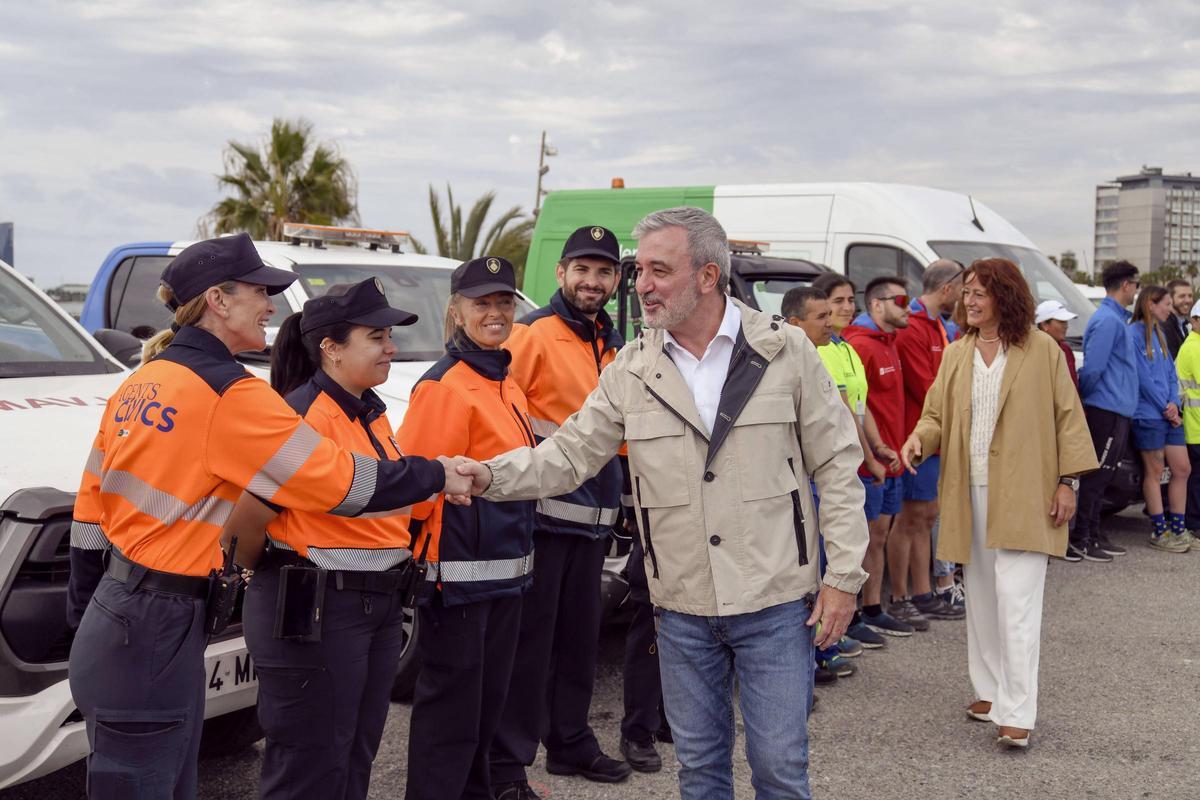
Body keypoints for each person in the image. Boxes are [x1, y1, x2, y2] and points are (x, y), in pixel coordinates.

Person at [459, 207, 869, 798]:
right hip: (681, 608)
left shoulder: (786, 352)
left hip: (776, 603)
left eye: (659, 269)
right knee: (700, 775)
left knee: (780, 771)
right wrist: (484, 476)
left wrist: (845, 577)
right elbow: (570, 455)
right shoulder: (633, 366)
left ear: (707, 276)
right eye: (639, 270)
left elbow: (836, 465)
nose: (641, 284)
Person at [66, 235, 469, 799]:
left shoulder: (142, 381)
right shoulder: (227, 393)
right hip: (155, 622)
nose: (272, 306)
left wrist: (88, 616)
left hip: (124, 615)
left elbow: (89, 514)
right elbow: (339, 480)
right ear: (218, 300)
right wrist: (437, 474)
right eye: (261, 292)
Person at [218, 279, 426, 799]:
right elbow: (243, 526)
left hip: (373, 606)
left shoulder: (367, 410)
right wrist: (278, 570)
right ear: (331, 348)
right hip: (316, 609)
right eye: (376, 337)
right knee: (310, 765)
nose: (391, 348)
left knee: (354, 752)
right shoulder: (303, 416)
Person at [900, 257, 1097, 750]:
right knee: (982, 597)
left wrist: (1068, 482)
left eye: (979, 292)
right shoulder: (956, 352)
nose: (968, 300)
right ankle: (988, 690)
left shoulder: (1042, 349)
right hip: (969, 492)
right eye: (966, 292)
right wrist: (920, 439)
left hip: (1028, 492)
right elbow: (936, 415)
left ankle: (1017, 711)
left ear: (1005, 296)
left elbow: (1069, 419)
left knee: (1018, 603)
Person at [490, 226, 632, 797]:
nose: (592, 282)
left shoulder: (611, 341)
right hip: (543, 518)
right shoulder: (533, 335)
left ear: (616, 280)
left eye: (603, 272)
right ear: (561, 274)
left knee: (579, 640)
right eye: (582, 270)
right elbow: (507, 418)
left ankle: (570, 744)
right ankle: (508, 766)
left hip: (593, 521)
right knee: (530, 649)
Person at [396, 256, 538, 800]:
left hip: (506, 576)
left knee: (485, 710)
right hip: (455, 578)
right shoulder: (445, 387)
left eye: (504, 302)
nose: (496, 313)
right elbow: (415, 480)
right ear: (456, 311)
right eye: (483, 304)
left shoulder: (506, 382)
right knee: (451, 716)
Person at [810, 272, 895, 650]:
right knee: (833, 551)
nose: (846, 308)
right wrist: (869, 460)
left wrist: (878, 447)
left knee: (860, 545)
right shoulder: (820, 349)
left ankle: (853, 616)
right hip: (842, 463)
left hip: (861, 460)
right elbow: (843, 412)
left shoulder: (844, 346)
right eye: (838, 301)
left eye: (849, 300)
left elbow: (863, 407)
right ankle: (828, 633)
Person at [781, 286, 861, 682]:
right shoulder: (784, 363)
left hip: (824, 479)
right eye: (822, 317)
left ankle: (822, 649)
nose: (831, 322)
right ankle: (812, 657)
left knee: (829, 569)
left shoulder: (830, 353)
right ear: (795, 324)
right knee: (809, 574)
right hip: (800, 487)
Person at [890, 261, 965, 625]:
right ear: (948, 288)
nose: (966, 296)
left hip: (935, 439)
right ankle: (902, 595)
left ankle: (923, 591)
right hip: (918, 438)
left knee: (926, 515)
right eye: (964, 288)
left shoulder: (937, 326)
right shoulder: (914, 328)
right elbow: (929, 387)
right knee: (909, 518)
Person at [844, 277, 916, 636]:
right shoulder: (861, 346)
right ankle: (852, 613)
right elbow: (856, 409)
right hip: (867, 462)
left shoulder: (889, 343)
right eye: (901, 300)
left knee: (880, 535)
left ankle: (873, 607)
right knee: (863, 536)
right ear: (876, 305)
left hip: (890, 458)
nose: (908, 307)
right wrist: (871, 453)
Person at [1073, 260, 1140, 562]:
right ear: (1126, 285)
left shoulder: (1116, 320)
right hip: (1105, 409)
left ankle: (1094, 532)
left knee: (1105, 476)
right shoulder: (1107, 321)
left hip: (1117, 409)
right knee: (1097, 476)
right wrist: (1088, 400)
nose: (1135, 290)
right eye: (1135, 285)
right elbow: (1094, 368)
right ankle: (1081, 538)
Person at [1129, 285, 1194, 552]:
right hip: (1147, 414)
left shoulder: (1160, 334)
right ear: (1150, 304)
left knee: (1182, 469)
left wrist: (1173, 405)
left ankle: (1178, 528)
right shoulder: (1132, 334)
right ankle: (1160, 530)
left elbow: (1170, 372)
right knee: (1154, 472)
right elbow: (1141, 377)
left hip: (1167, 414)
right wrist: (1163, 406)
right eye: (1166, 304)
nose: (1170, 309)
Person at [1175, 300, 1200, 544]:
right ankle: (1194, 524)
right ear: (1194, 320)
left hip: (1196, 424)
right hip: (1195, 426)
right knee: (1196, 479)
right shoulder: (1193, 347)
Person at [1035, 300, 1079, 390]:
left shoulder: (1066, 350)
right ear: (1044, 325)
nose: (1066, 326)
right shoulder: (1034, 351)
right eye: (1061, 321)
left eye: (1066, 322)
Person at [1163, 279, 1193, 358]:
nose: (1188, 300)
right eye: (1182, 296)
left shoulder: (1186, 324)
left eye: (1190, 296)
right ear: (1170, 299)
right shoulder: (1164, 326)